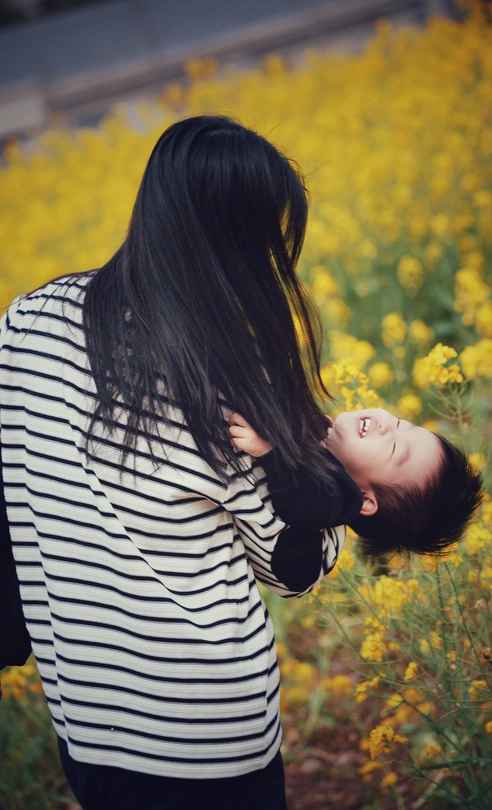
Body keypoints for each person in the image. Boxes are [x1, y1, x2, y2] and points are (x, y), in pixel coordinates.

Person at [0, 115, 348, 810]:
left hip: (89, 723)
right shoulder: (221, 381)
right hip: (212, 734)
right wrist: (322, 487)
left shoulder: (28, 321)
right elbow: (291, 568)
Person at [229, 408, 484, 558]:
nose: (387, 425)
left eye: (395, 448)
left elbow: (302, 503)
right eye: (401, 424)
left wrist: (270, 452)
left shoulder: (328, 503)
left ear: (365, 500)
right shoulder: (325, 444)